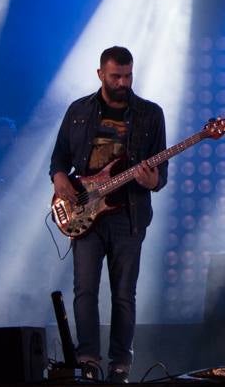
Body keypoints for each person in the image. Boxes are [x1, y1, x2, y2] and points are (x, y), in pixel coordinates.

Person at [50, 46, 167, 382]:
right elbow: (59, 159)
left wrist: (152, 179)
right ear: (100, 74)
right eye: (115, 76)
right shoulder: (78, 111)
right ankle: (88, 360)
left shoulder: (150, 114)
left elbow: (162, 173)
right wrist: (60, 180)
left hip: (128, 215)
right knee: (85, 289)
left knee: (123, 294)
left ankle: (120, 365)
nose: (122, 82)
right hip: (86, 211)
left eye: (128, 75)